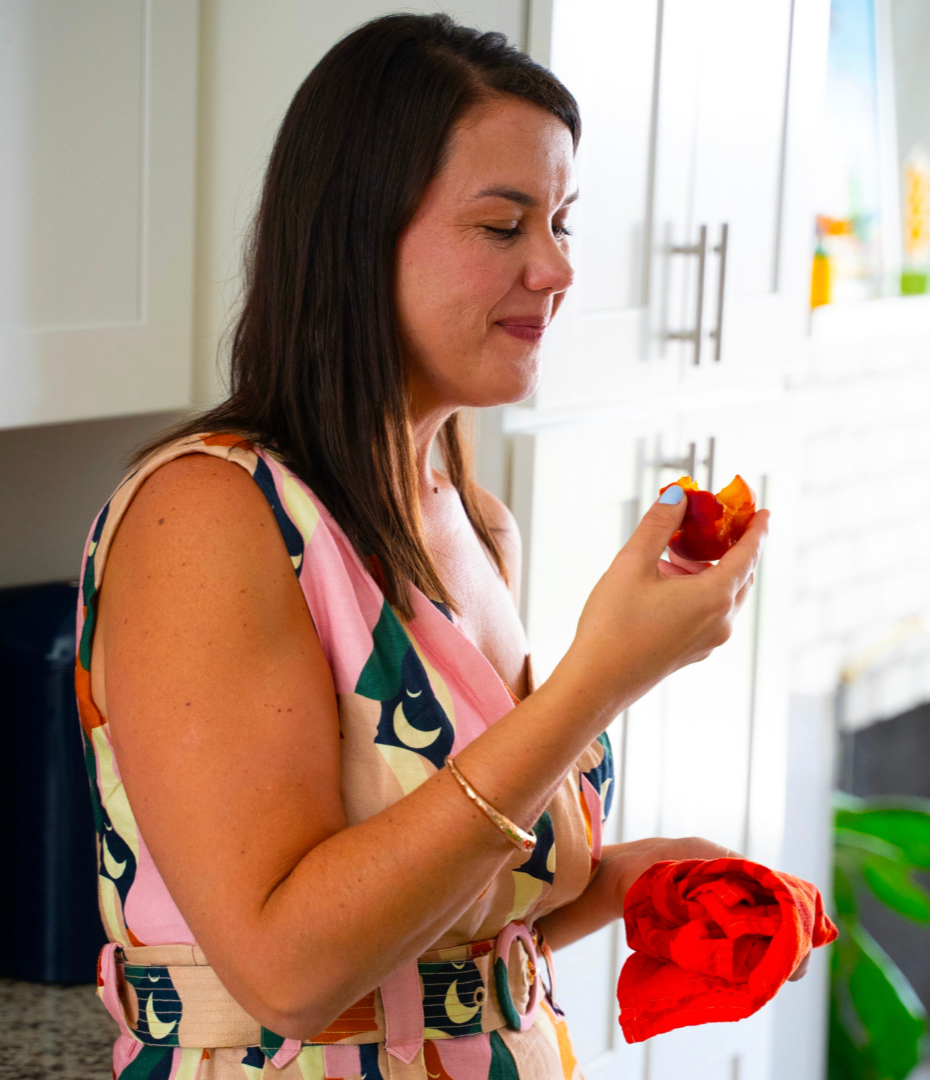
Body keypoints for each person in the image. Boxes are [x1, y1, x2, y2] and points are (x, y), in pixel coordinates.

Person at [75, 14, 774, 1079]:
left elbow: (438, 929)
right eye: (504, 227)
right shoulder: (208, 518)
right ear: (357, 237)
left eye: (562, 222)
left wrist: (635, 884)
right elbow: (291, 975)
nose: (558, 268)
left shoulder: (479, 521)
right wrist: (597, 683)